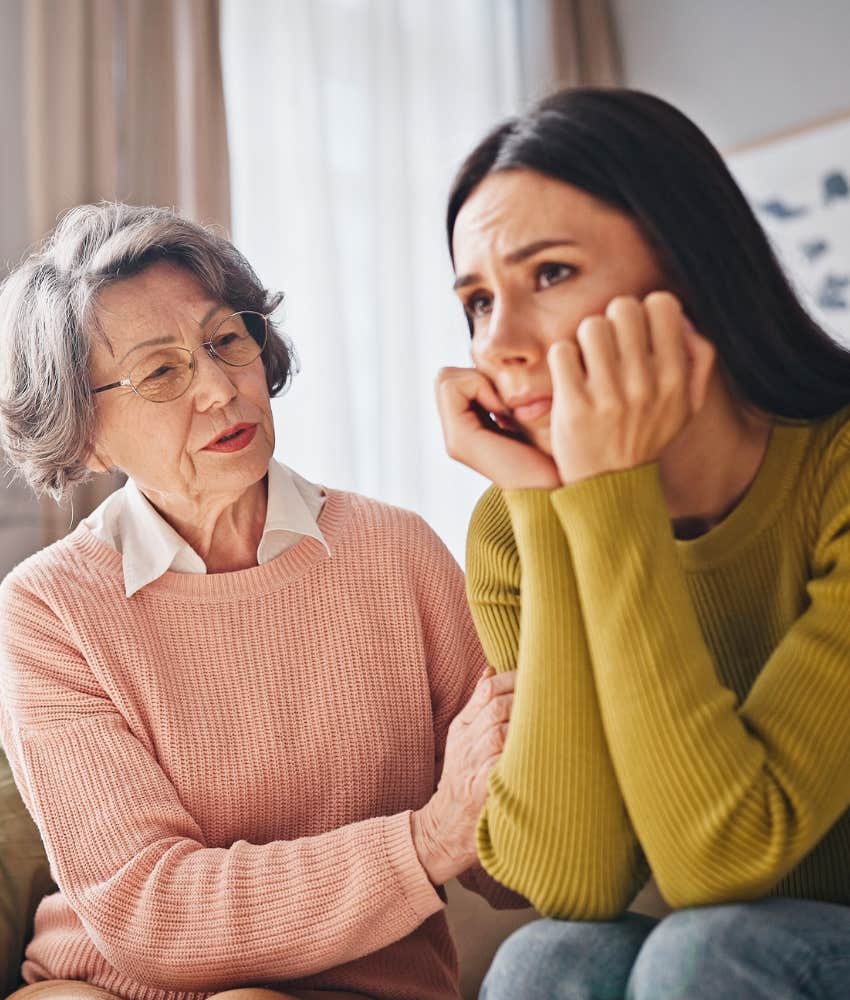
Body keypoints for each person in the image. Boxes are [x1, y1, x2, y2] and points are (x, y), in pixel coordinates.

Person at [0, 202, 524, 1000]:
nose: (219, 387)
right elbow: (151, 915)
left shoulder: (397, 552)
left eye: (225, 341)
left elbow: (517, 859)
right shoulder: (48, 609)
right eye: (163, 371)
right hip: (102, 985)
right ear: (84, 436)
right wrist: (422, 843)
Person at [435, 87, 850, 999]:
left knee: (707, 949)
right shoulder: (512, 526)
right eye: (476, 299)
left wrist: (611, 495)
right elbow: (571, 881)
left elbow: (728, 858)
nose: (498, 341)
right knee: (551, 958)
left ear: (693, 272)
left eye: (547, 275)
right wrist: (548, 504)